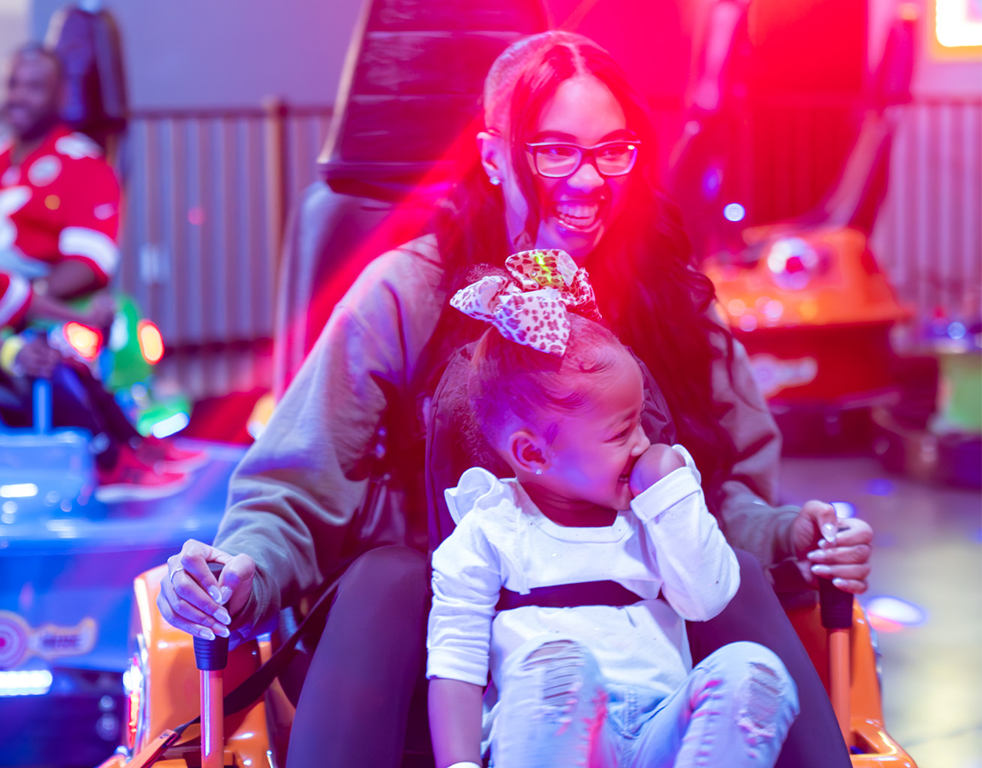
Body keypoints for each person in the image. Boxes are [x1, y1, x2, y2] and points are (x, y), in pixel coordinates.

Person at [160, 31, 871, 767]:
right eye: (554, 150)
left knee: (742, 577)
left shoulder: (678, 302)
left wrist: (797, 534)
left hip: (643, 637)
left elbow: (721, 507)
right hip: (453, 649)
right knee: (387, 577)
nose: (589, 180)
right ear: (494, 156)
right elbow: (295, 488)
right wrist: (241, 570)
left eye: (611, 150)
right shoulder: (412, 290)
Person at [428, 251, 798, 768]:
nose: (643, 442)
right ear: (533, 455)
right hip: (554, 742)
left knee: (753, 671)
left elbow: (707, 599)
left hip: (657, 740)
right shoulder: (491, 530)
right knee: (557, 669)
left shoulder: (652, 514)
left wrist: (669, 490)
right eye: (622, 432)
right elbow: (455, 666)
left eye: (640, 422)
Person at [0, 153, 188, 501]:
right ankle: (106, 464)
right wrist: (10, 352)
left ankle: (135, 447)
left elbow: (23, 299)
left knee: (72, 362)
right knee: (48, 371)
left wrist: (82, 319)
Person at [0, 44, 120, 301]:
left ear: (61, 95)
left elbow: (89, 262)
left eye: (34, 87)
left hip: (21, 301)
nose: (17, 97)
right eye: (12, 85)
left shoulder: (85, 166)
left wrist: (21, 301)